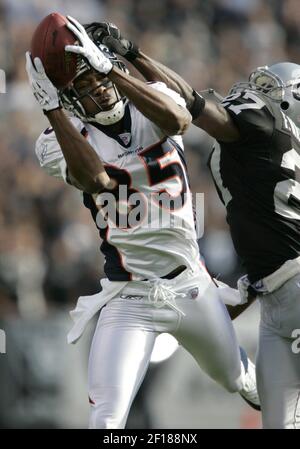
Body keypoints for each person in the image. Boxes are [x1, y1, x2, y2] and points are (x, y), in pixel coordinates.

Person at [26, 16, 259, 429]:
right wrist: (52, 110)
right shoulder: (58, 139)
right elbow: (95, 178)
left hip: (189, 286)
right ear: (68, 101)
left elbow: (179, 121)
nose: (97, 89)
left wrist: (112, 65)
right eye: (83, 87)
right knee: (107, 418)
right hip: (128, 297)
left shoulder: (149, 98)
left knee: (237, 380)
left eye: (97, 78)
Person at [94, 22, 300, 429]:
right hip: (276, 295)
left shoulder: (263, 125)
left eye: (266, 87)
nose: (251, 89)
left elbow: (187, 104)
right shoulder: (265, 142)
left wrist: (128, 58)